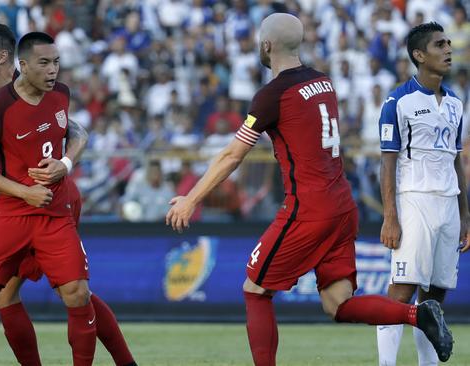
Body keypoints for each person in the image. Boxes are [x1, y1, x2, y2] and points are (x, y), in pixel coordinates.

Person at [165, 13, 454, 366]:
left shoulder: (272, 94)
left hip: (308, 209)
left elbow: (232, 155)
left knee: (255, 290)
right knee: (338, 305)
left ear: (266, 45)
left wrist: (190, 199)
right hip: (342, 207)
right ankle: (417, 315)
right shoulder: (323, 82)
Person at [0, 31, 126, 366]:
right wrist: (14, 187)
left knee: (71, 291)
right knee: (5, 295)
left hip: (54, 202)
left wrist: (66, 163)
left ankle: (125, 361)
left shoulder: (48, 89)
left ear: (4, 58)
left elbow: (76, 132)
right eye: (46, 63)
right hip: (16, 205)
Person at [377, 21, 469, 366]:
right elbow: (387, 163)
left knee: (434, 298)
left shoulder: (456, 103)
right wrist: (390, 216)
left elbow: (456, 161)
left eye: (448, 43)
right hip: (414, 199)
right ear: (419, 55)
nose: (448, 49)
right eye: (439, 45)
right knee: (402, 291)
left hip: (448, 205)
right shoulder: (397, 101)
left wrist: (465, 214)